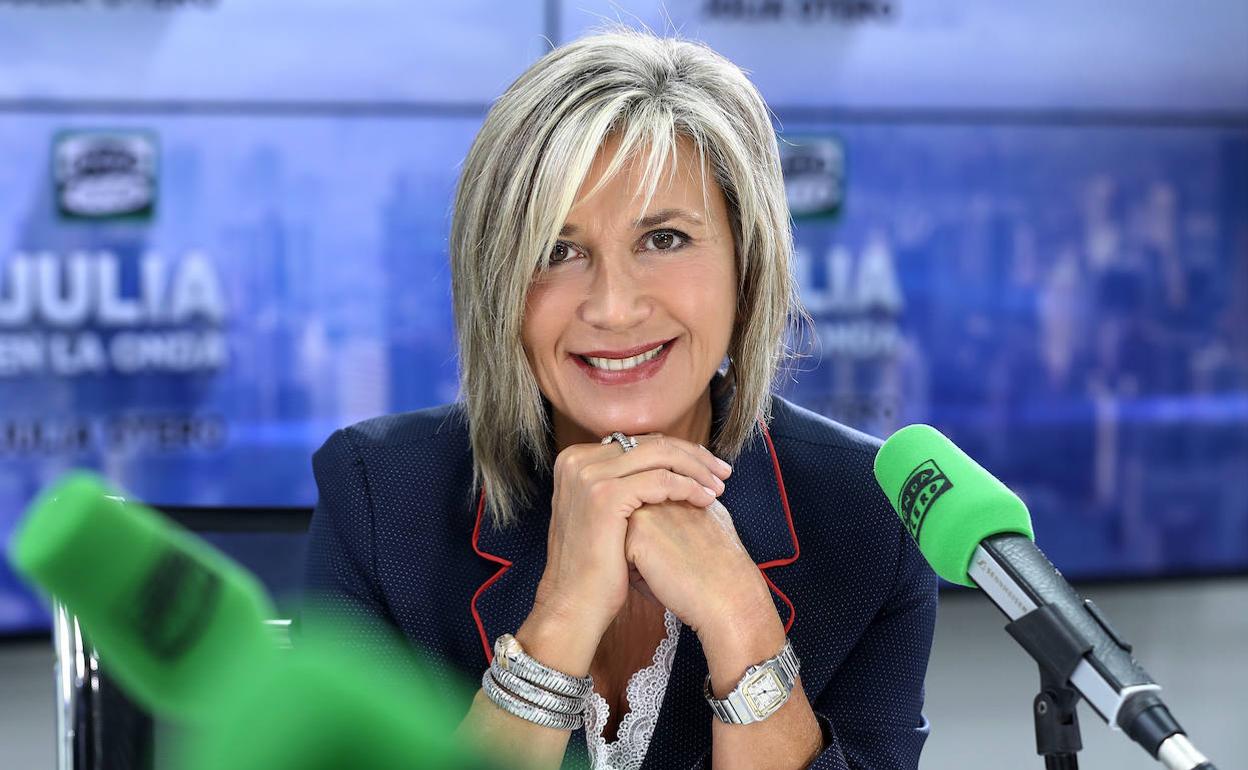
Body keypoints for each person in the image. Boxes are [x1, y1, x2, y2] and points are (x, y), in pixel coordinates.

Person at [303, 26, 937, 770]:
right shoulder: (379, 501)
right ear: (498, 284)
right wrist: (560, 619)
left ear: (747, 261)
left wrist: (742, 623)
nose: (612, 308)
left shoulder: (870, 519)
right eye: (557, 251)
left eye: (663, 239)